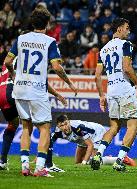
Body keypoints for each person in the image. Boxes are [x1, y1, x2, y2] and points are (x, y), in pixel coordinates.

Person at [4, 6, 77, 177]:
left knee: (26, 127)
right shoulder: (49, 41)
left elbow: (8, 61)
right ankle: (39, 168)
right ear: (47, 24)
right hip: (36, 90)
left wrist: (14, 74)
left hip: (20, 89)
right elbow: (57, 67)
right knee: (45, 128)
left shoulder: (21, 39)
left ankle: (24, 167)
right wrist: (69, 82)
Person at [91, 18, 137, 172]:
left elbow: (97, 75)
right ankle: (119, 160)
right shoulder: (125, 44)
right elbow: (127, 68)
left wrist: (102, 96)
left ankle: (98, 154)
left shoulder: (103, 49)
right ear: (120, 29)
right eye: (127, 28)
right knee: (133, 126)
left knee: (114, 126)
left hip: (111, 90)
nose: (129, 31)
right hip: (125, 89)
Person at [0, 62, 67, 171]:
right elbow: (40, 81)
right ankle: (48, 165)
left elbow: (7, 66)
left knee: (13, 124)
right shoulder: (30, 53)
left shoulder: (10, 57)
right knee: (44, 125)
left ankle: (3, 161)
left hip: (2, 93)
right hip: (17, 91)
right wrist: (57, 94)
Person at [43, 114, 136, 172]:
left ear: (69, 122)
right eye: (61, 125)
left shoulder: (77, 127)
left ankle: (120, 159)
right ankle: (111, 159)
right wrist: (40, 157)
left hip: (97, 133)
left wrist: (84, 163)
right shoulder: (57, 132)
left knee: (94, 162)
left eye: (66, 124)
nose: (65, 127)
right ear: (58, 126)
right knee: (77, 163)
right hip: (82, 138)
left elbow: (90, 145)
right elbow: (48, 144)